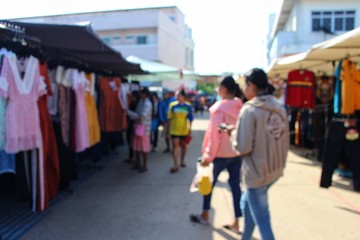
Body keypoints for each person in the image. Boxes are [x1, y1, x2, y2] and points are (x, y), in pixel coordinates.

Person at [231, 68, 289, 240]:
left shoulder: (249, 110)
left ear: (252, 85)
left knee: (262, 219)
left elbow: (242, 147)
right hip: (275, 170)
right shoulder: (279, 107)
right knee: (247, 206)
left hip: (257, 173)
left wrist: (233, 135)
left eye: (244, 85)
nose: (242, 89)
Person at [190, 76, 243, 234]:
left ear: (224, 90)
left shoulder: (220, 108)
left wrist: (208, 156)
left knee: (207, 185)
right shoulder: (240, 107)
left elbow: (215, 134)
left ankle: (205, 214)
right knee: (235, 188)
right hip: (236, 153)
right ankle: (236, 222)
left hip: (219, 155)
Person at [167, 89, 193, 173]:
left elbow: (190, 119)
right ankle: (176, 165)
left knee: (184, 146)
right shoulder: (172, 106)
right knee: (175, 147)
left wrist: (190, 129)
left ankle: (182, 160)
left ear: (183, 96)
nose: (177, 97)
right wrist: (167, 130)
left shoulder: (188, 106)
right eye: (176, 95)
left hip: (184, 130)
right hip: (174, 130)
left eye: (179, 95)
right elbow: (170, 118)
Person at [127, 87, 153, 173]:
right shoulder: (142, 102)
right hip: (139, 128)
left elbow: (142, 116)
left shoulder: (147, 104)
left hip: (144, 130)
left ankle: (144, 165)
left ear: (144, 94)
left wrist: (129, 113)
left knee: (143, 149)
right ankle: (138, 163)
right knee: (137, 148)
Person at [125, 90, 141, 164]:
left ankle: (135, 159)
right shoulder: (133, 103)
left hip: (135, 124)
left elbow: (137, 115)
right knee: (130, 140)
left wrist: (128, 112)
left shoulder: (138, 104)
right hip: (131, 124)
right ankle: (132, 157)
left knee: (135, 141)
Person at [158, 89, 176, 153]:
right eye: (164, 94)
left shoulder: (173, 100)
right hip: (165, 121)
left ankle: (174, 149)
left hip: (173, 121)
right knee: (166, 135)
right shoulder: (162, 102)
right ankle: (168, 147)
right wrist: (162, 120)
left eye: (166, 94)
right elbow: (160, 112)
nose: (165, 95)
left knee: (173, 136)